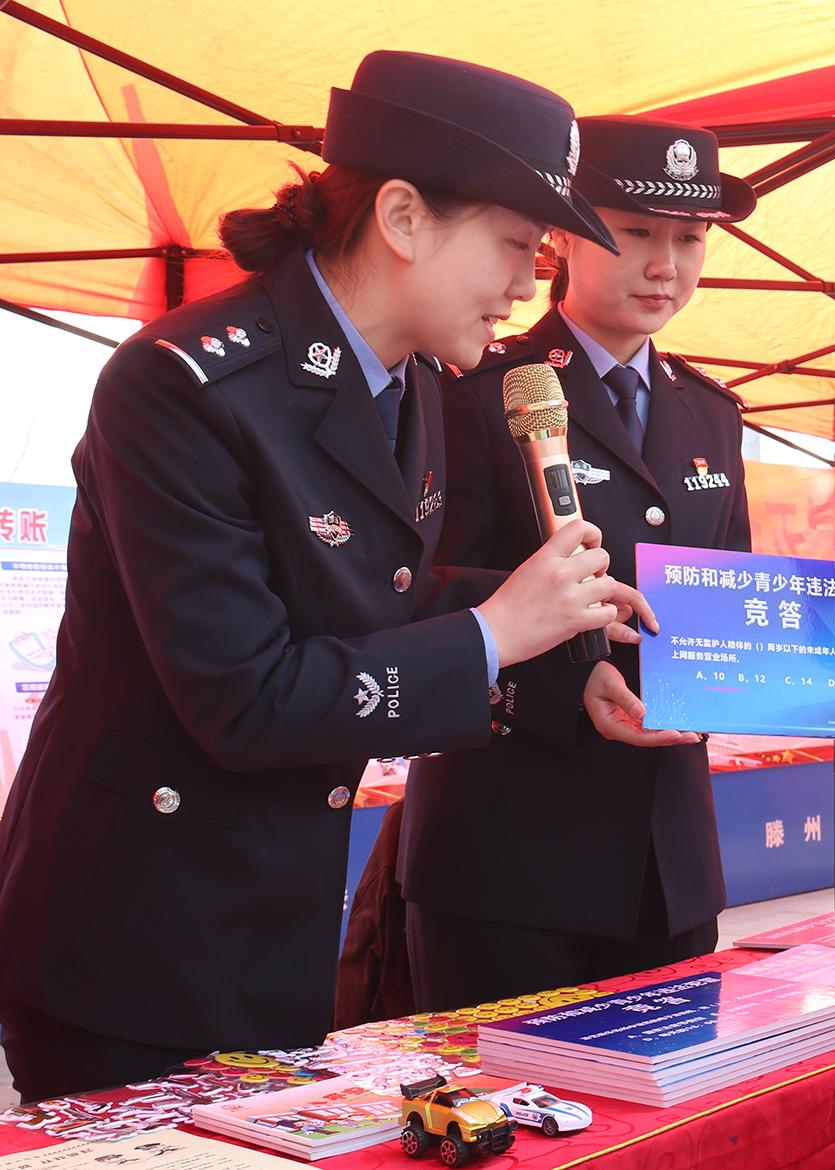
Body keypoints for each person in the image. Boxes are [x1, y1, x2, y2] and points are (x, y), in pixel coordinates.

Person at [0, 52, 652, 1102]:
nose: (529, 284)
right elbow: (245, 697)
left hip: (277, 921)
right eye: (515, 243)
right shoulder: (183, 387)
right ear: (403, 217)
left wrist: (549, 648)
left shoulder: (410, 386)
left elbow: (368, 595)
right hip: (136, 940)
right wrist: (493, 631)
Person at [400, 116, 756, 1009]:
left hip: (670, 862)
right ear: (563, 237)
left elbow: (732, 590)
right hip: (510, 857)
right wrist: (569, 682)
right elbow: (414, 592)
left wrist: (785, 674)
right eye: (634, 232)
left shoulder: (712, 414)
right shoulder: (472, 389)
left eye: (689, 239)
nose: (665, 265)